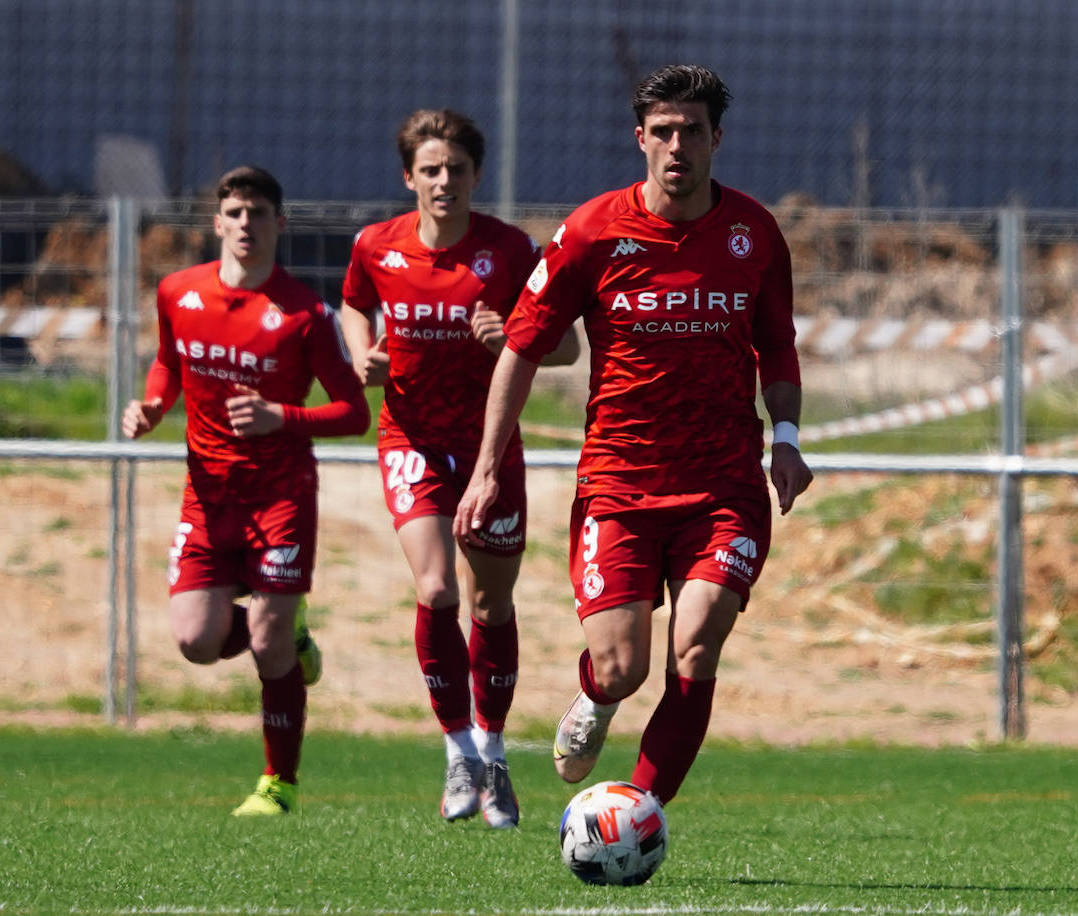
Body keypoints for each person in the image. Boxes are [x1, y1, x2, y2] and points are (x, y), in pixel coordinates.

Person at [454, 64, 813, 806]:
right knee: (622, 667)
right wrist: (489, 466)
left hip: (723, 484)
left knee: (698, 639)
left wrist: (787, 438)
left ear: (716, 139)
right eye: (663, 132)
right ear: (640, 138)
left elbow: (777, 345)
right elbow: (523, 345)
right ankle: (597, 696)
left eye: (691, 132)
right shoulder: (593, 230)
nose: (676, 145)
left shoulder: (753, 234)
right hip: (621, 482)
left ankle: (636, 811)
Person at [338, 109, 579, 828]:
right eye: (431, 170)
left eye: (458, 170)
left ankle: (496, 752)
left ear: (477, 176)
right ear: (409, 176)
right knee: (438, 586)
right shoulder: (375, 246)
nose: (445, 182)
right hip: (411, 440)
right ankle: (457, 752)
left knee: (489, 605)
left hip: (490, 450)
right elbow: (353, 304)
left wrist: (512, 336)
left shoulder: (508, 251)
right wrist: (362, 354)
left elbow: (565, 345)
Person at [123, 165, 370, 816]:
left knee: (267, 643)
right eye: (234, 213)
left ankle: (278, 784)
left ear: (278, 224)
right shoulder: (179, 291)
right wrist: (152, 406)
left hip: (280, 498)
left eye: (258, 213)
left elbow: (353, 413)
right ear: (216, 223)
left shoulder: (304, 313)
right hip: (206, 498)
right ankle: (291, 638)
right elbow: (167, 365)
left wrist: (280, 416)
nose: (245, 225)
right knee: (196, 642)